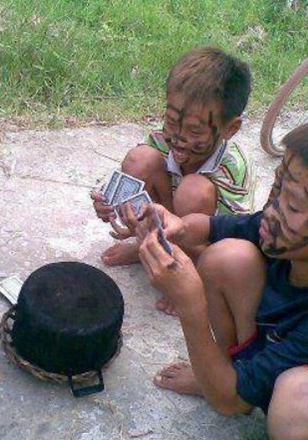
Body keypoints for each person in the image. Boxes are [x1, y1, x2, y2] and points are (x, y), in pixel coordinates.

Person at [125, 120, 308, 440]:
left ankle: (225, 383)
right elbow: (214, 226)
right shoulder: (281, 232)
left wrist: (190, 305)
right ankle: (222, 373)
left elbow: (230, 405)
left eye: (294, 204)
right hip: (275, 353)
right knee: (226, 258)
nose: (271, 209)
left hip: (306, 387)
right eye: (277, 186)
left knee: (298, 408)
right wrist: (176, 226)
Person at [91, 46, 254, 314]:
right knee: (140, 159)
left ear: (231, 128)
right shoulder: (161, 139)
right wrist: (108, 202)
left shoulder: (232, 168)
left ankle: (186, 274)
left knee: (194, 190)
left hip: (205, 242)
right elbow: (133, 184)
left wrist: (198, 259)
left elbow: (232, 238)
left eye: (194, 131)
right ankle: (147, 247)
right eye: (171, 121)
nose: (177, 138)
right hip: (167, 223)